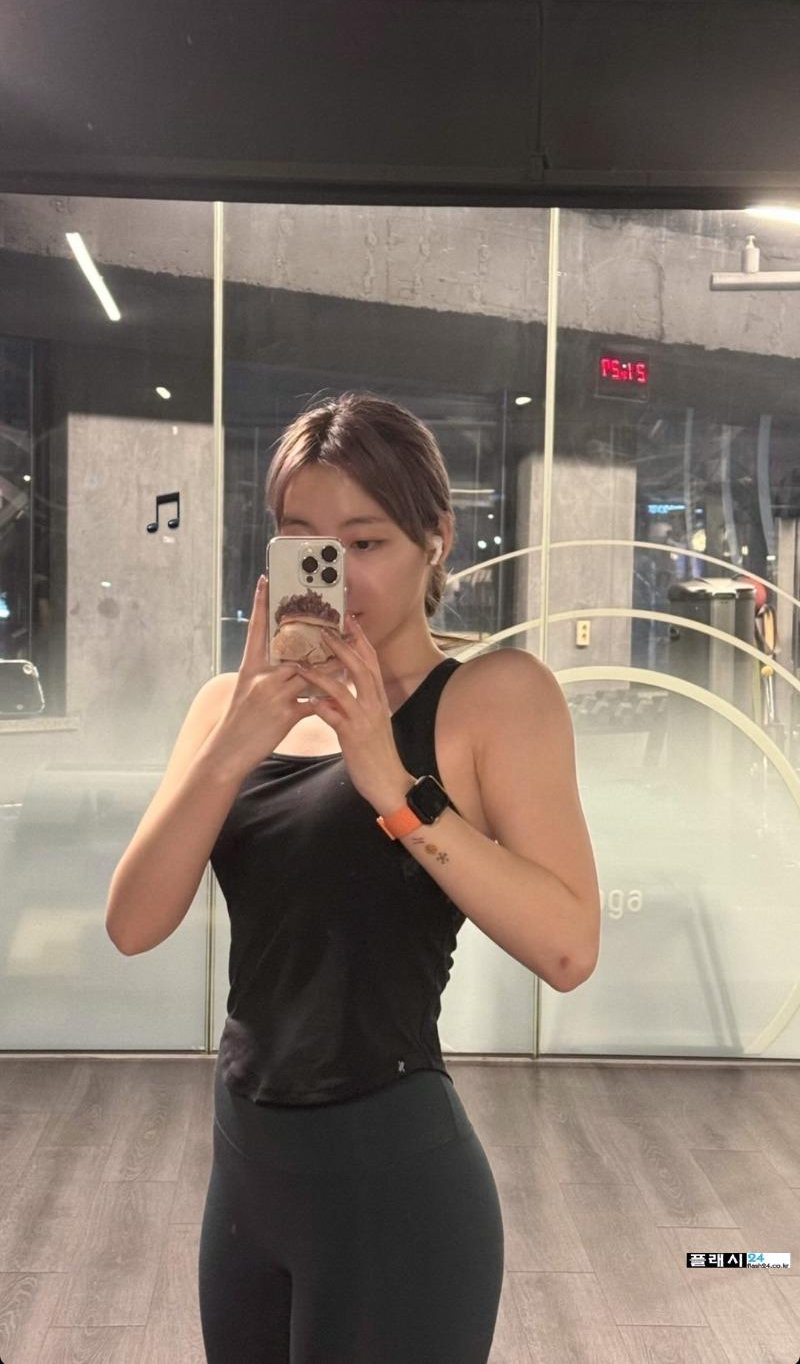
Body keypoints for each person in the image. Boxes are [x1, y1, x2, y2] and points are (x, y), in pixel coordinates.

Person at [107, 391, 599, 1362]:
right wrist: (236, 741)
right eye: (303, 540)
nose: (334, 569)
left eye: (365, 541)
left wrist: (389, 781)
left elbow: (568, 948)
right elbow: (133, 923)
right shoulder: (225, 708)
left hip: (392, 1180)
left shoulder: (494, 698)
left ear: (434, 538)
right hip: (245, 1169)